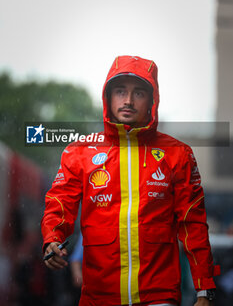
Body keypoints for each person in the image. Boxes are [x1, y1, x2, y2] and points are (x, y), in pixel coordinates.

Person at [41, 56, 220, 306]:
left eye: (138, 93)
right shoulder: (79, 152)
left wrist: (204, 291)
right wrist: (52, 240)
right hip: (98, 297)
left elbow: (194, 226)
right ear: (108, 97)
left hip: (159, 296)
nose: (127, 100)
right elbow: (60, 201)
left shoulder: (178, 154)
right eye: (120, 91)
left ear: (152, 100)